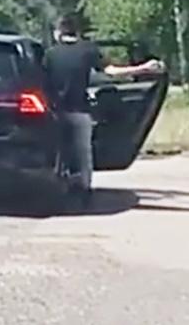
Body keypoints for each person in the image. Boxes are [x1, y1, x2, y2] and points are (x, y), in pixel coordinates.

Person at [43, 13, 165, 199]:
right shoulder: (88, 51)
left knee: (57, 150)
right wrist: (143, 68)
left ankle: (57, 184)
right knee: (84, 152)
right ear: (77, 32)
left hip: (54, 112)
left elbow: (39, 79)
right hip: (80, 111)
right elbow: (112, 72)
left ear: (58, 33)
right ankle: (84, 190)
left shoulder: (50, 54)